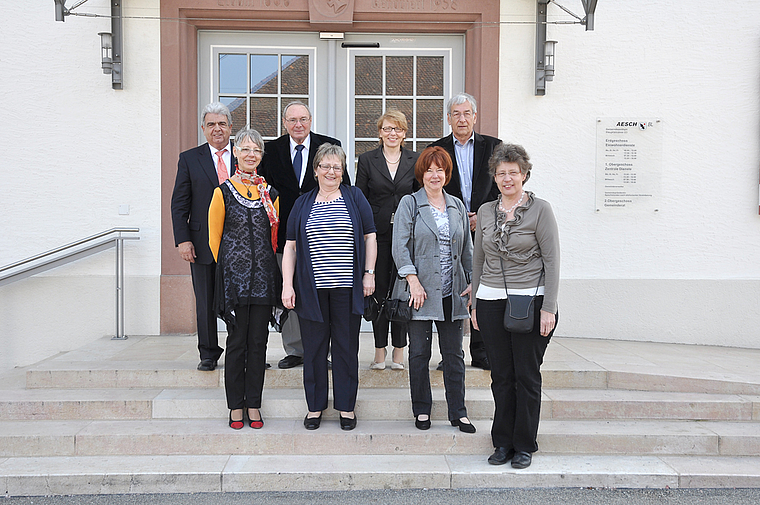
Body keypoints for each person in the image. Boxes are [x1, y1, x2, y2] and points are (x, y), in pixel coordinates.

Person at [470, 143, 560, 469]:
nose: (507, 178)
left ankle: (524, 444)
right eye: (501, 173)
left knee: (526, 375)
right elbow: (478, 258)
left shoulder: (540, 210)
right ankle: (502, 442)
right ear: (494, 177)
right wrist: (475, 305)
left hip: (532, 301)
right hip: (490, 301)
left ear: (524, 174)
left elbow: (552, 260)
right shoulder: (484, 212)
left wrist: (549, 307)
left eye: (513, 172)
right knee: (501, 376)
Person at [281, 144, 377, 431]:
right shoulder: (303, 203)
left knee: (346, 349)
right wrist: (288, 284)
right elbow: (290, 247)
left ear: (343, 170)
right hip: (311, 290)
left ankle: (346, 407)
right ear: (315, 170)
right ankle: (315, 407)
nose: (331, 171)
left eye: (337, 166)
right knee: (314, 350)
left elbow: (369, 237)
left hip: (347, 289)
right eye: (325, 166)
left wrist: (369, 274)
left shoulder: (355, 197)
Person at [259, 101, 349, 370]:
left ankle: (327, 350)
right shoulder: (271, 150)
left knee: (325, 293)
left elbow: (344, 183)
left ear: (311, 120)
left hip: (324, 235)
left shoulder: (329, 144)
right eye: (292, 120)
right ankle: (296, 349)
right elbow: (264, 193)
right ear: (284, 122)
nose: (298, 125)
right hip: (284, 233)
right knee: (290, 291)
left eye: (303, 119)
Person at [392, 146, 476, 434]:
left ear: (447, 173)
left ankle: (458, 412)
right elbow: (399, 247)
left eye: (440, 169)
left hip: (452, 294)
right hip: (420, 293)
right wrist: (413, 281)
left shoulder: (456, 205)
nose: (435, 175)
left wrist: (472, 283)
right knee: (419, 355)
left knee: (454, 356)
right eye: (429, 169)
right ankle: (422, 409)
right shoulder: (410, 203)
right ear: (422, 174)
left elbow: (467, 250)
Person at [208, 128, 280, 430]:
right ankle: (235, 406)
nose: (251, 154)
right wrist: (232, 271)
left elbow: (274, 240)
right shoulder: (221, 192)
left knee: (258, 344)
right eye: (246, 149)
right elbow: (215, 241)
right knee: (237, 344)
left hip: (263, 280)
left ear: (261, 156)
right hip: (234, 283)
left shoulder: (271, 194)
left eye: (257, 150)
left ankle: (254, 404)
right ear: (235, 152)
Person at [431, 93, 502, 370]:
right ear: (448, 119)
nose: (461, 119)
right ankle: (451, 353)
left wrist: (481, 216)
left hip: (486, 228)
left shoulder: (494, 147)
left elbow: (501, 187)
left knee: (482, 287)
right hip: (449, 228)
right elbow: (432, 187)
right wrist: (460, 217)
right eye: (456, 114)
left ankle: (482, 351)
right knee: (452, 287)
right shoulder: (437, 149)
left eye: (466, 113)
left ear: (475, 116)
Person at [171, 102, 235, 371]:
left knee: (240, 300)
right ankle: (208, 353)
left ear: (231, 128)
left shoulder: (245, 155)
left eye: (222, 124)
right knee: (206, 301)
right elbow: (179, 203)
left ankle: (241, 351)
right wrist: (183, 239)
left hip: (239, 243)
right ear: (203, 129)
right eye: (211, 124)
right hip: (201, 243)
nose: (217, 129)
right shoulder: (189, 158)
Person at [356, 110, 419, 370]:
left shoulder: (416, 159)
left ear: (405, 133)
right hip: (378, 234)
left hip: (407, 235)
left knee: (402, 293)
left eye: (398, 129)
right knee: (380, 292)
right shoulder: (368, 160)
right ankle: (379, 351)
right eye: (387, 129)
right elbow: (360, 196)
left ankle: (399, 352)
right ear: (380, 132)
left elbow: (419, 195)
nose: (392, 133)